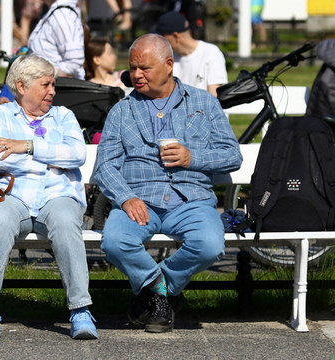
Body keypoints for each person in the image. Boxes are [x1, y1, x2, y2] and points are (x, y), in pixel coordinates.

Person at [93, 34, 242, 333]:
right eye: (133, 67)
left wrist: (192, 157)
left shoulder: (203, 104)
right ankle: (162, 293)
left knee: (210, 245)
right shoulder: (122, 110)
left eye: (145, 68)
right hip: (139, 199)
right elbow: (105, 166)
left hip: (191, 199)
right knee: (115, 242)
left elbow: (232, 155)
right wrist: (124, 198)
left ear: (169, 65)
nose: (136, 75)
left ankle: (155, 295)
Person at [0, 54, 97, 340]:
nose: (53, 91)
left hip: (57, 196)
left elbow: (77, 154)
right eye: (46, 85)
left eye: (53, 84)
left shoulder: (64, 116)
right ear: (22, 86)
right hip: (13, 196)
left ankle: (81, 309)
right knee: (0, 218)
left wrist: (26, 146)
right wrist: (51, 157)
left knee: (66, 222)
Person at [155, 11, 227, 97]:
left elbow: (214, 96)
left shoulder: (211, 53)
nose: (160, 43)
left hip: (203, 109)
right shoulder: (168, 57)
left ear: (175, 36)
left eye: (163, 38)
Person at [28, 0, 86, 79]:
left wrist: (46, 79)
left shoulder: (63, 15)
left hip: (58, 88)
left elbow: (74, 62)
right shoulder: (56, 12)